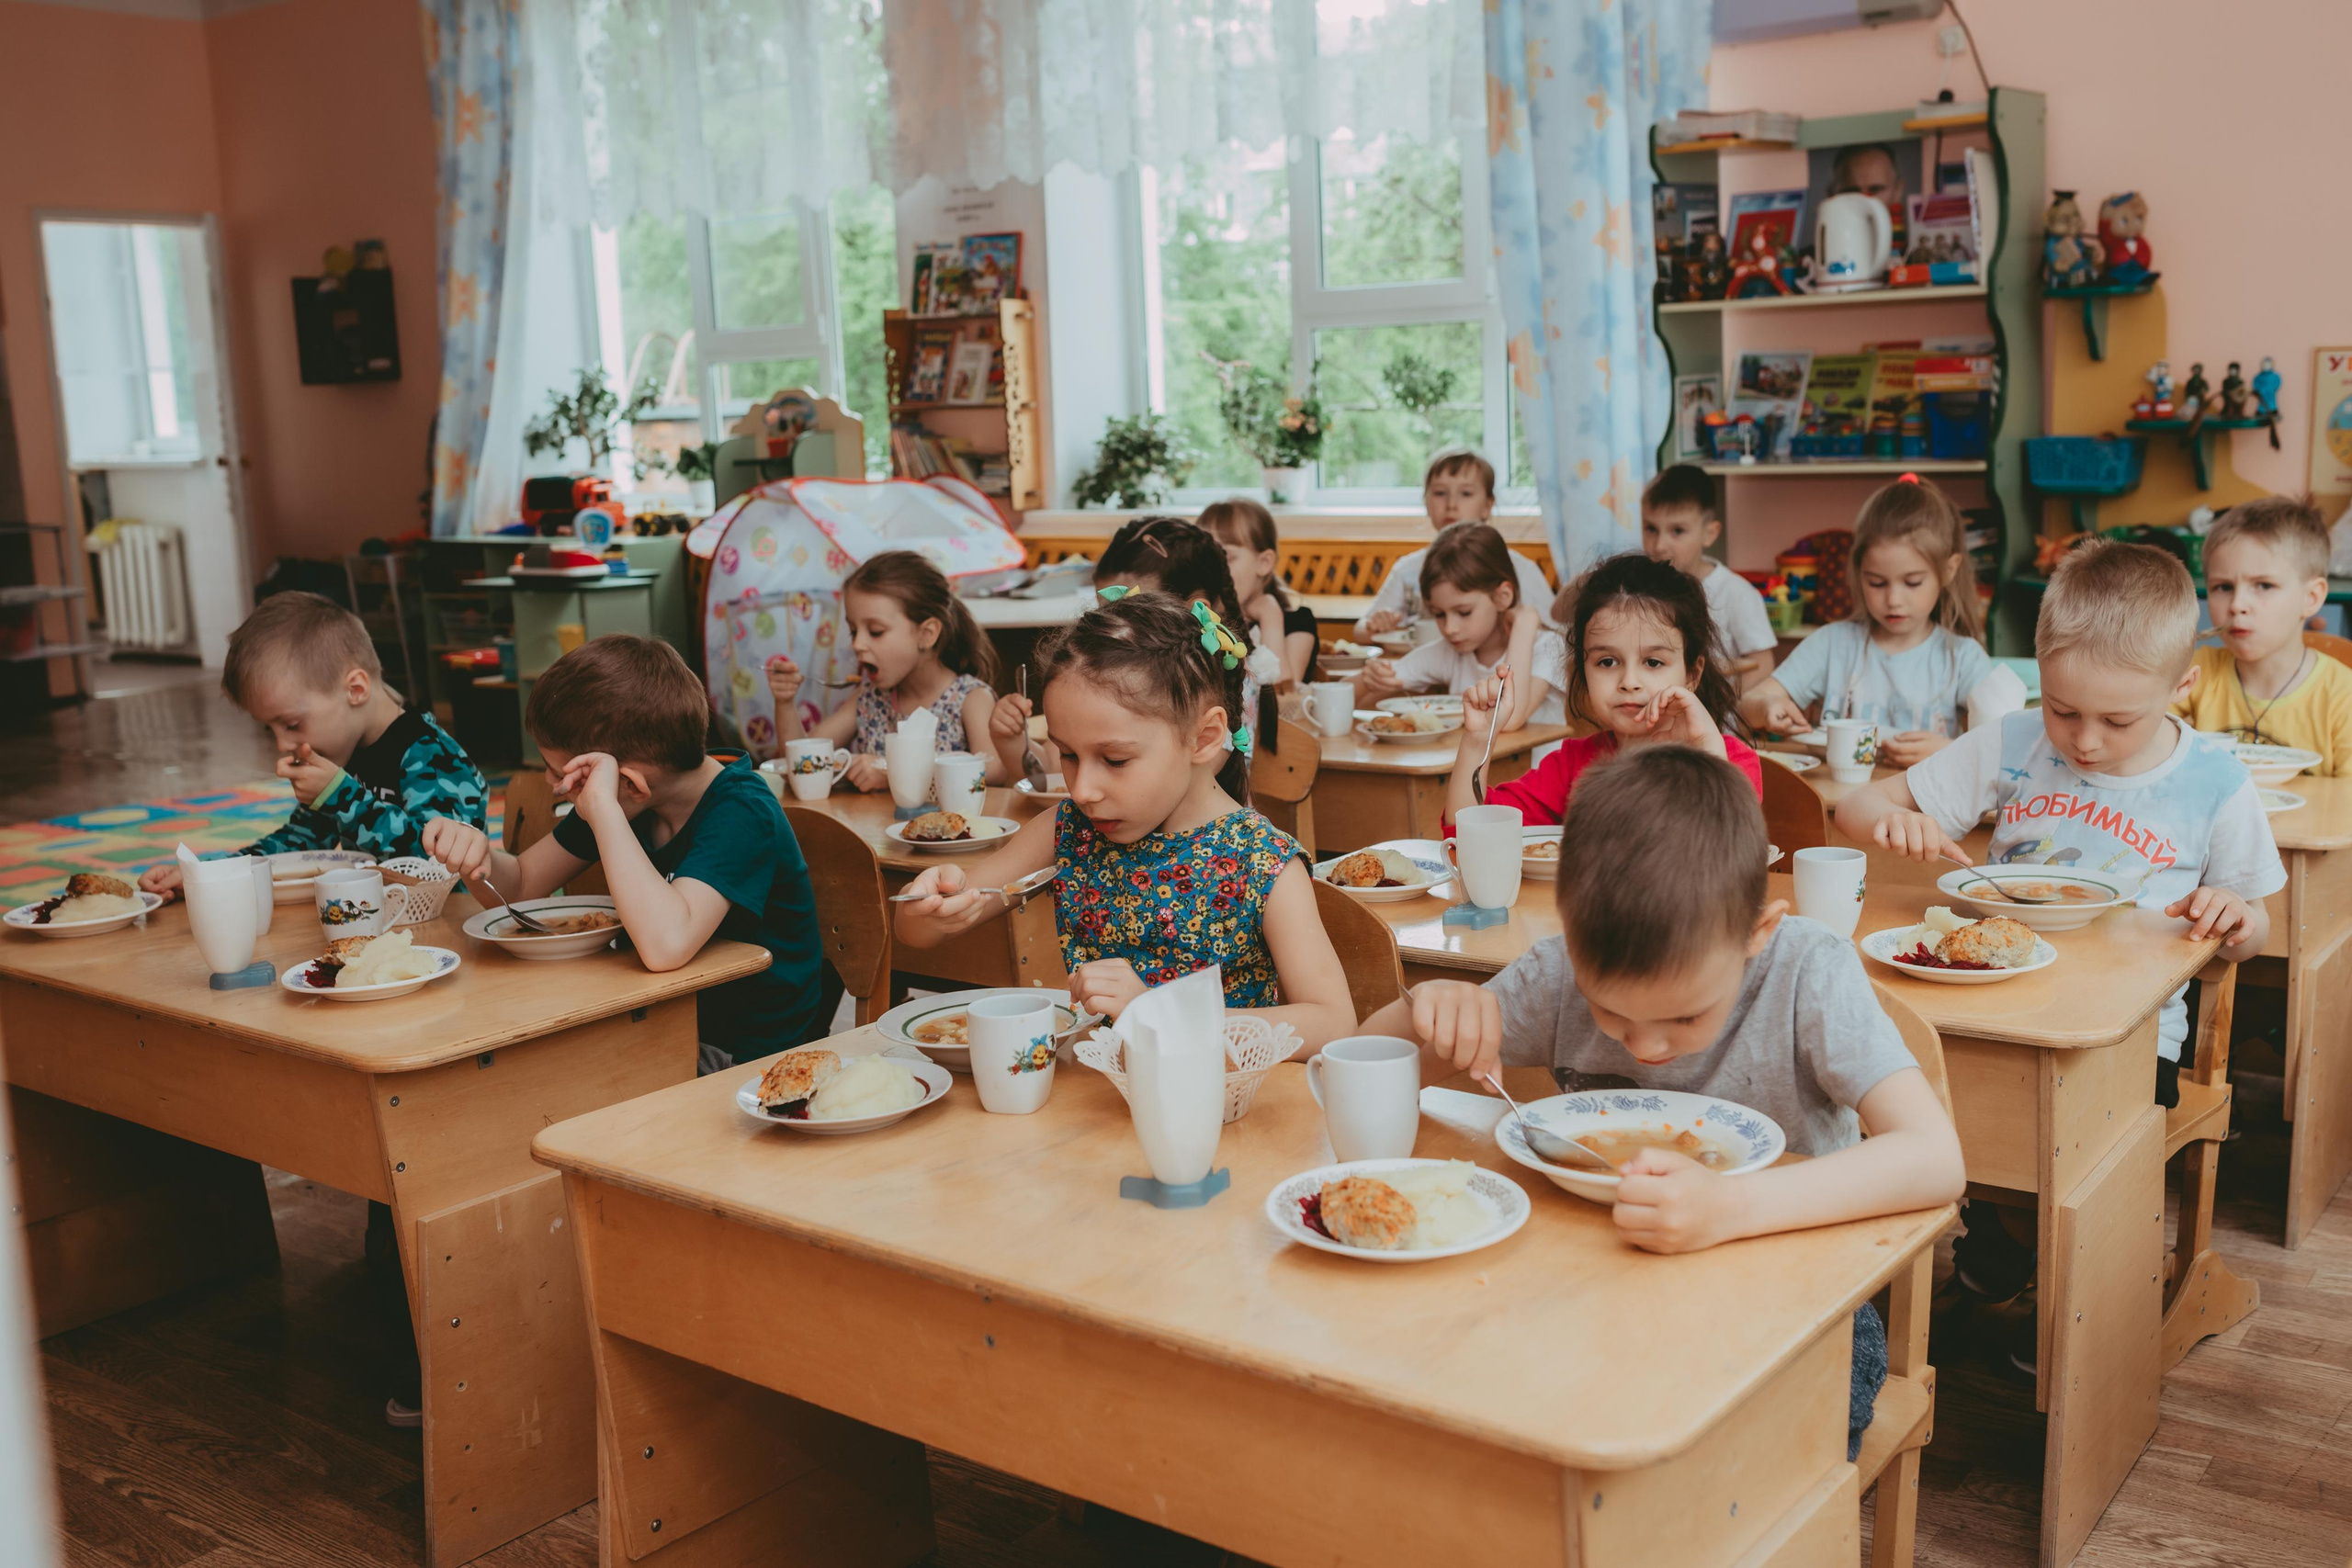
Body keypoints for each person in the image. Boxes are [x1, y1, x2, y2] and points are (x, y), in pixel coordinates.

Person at [1363, 744, 1963, 1458]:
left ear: (1756, 932)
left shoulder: (1807, 971)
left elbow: (1936, 1159)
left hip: (1792, 1295)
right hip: (1594, 1283)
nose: (1646, 1048)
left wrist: (1732, 1208)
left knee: (1748, 1453)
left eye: (1684, 1017)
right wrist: (1423, 1011)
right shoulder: (1558, 972)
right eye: (1611, 1014)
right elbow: (1368, 1059)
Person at [1834, 541, 2285, 1333]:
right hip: (1991, 1003)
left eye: (2118, 719)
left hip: (2129, 1034)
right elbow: (1855, 810)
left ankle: (2077, 1292)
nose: (2083, 740)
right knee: (1903, 1097)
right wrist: (1894, 816)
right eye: (2063, 708)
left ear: (2183, 685)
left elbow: (2257, 928)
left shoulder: (2215, 779)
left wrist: (2236, 916)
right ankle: (1999, 1233)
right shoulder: (2015, 743)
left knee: (2077, 1164)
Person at [895, 593, 1352, 1046]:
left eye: (1114, 760)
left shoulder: (1261, 860)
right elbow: (914, 934)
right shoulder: (1071, 827)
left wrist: (1161, 1013)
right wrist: (932, 906)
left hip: (1212, 1105)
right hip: (1093, 1100)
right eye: (1069, 755)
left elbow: (1332, 1022)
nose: (1083, 789)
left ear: (1204, 738)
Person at [426, 634, 829, 1075]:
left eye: (562, 773)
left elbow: (665, 947)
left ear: (630, 782)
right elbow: (522, 884)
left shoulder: (741, 811)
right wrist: (477, 856)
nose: (550, 781)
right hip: (662, 1018)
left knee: (548, 1081)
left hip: (749, 1056)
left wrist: (602, 810)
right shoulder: (626, 798)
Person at [138, 591, 487, 901]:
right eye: (269, 728)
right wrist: (208, 872)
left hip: (446, 935)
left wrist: (342, 796)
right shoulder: (341, 751)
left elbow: (436, 871)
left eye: (291, 724)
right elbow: (300, 844)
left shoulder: (434, 758)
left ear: (355, 690)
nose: (282, 744)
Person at [1446, 552, 1762, 826]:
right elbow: (1471, 835)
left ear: (1692, 673)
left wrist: (1706, 750)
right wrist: (1477, 741)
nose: (1629, 681)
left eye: (1653, 662)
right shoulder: (1572, 765)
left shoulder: (1732, 761)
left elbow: (1729, 849)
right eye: (1607, 662)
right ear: (1583, 670)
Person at [1739, 477, 1996, 766]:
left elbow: (2002, 745)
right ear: (1859, 572)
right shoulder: (1832, 643)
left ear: (1949, 571)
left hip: (1919, 808)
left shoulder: (1963, 658)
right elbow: (1747, 705)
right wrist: (1768, 705)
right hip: (1836, 804)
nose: (1894, 600)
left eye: (1912, 583)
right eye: (1876, 583)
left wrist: (1948, 750)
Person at [767, 550, 1022, 790]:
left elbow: (994, 770)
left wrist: (893, 773)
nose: (857, 644)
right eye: (854, 631)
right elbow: (804, 761)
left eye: (875, 631)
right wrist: (785, 702)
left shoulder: (970, 698)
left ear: (926, 634)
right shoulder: (868, 699)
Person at [2175, 494, 2352, 773]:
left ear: (2312, 597)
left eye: (2264, 586)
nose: (2237, 605)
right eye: (2223, 587)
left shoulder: (2343, 697)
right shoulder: (2198, 672)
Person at [1355, 524, 1557, 728]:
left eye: (1464, 612)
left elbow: (1508, 720)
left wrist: (1525, 623)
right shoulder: (1451, 651)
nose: (1450, 628)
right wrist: (1369, 677)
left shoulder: (1548, 648)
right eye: (1439, 614)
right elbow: (1342, 695)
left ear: (1502, 597)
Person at [1354, 449, 1554, 637]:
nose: (1451, 505)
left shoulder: (1520, 569)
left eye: (1466, 494)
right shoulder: (1408, 569)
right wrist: (1376, 624)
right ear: (1426, 502)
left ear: (1487, 505)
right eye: (1440, 493)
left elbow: (1557, 634)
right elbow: (1360, 631)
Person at [1638, 464, 1777, 682]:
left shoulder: (1736, 593)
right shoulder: (1636, 588)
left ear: (1709, 534)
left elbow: (1762, 664)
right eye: (1651, 529)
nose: (1659, 545)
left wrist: (1727, 707)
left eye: (1678, 531)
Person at [1199, 497, 1319, 685]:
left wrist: (1270, 617)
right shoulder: (1200, 623)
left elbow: (1282, 695)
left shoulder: (1298, 623)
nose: (1211, 567)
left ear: (1264, 563)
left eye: (1226, 556)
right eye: (1204, 556)